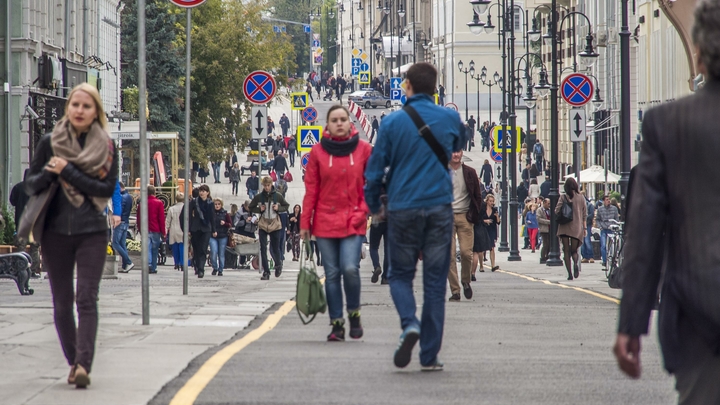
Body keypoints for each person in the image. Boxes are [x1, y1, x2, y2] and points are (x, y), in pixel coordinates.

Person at [615, 6, 720, 395]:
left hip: (698, 314)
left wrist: (631, 323)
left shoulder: (667, 124)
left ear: (698, 51)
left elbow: (644, 230)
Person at [365, 63, 463, 371]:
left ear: (407, 85)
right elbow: (457, 147)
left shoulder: (393, 122)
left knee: (399, 275)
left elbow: (374, 169)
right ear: (435, 87)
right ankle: (429, 356)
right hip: (439, 207)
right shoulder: (450, 118)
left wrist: (373, 205)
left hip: (403, 207)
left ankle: (410, 324)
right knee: (435, 283)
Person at [22, 83, 118, 388]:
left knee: (86, 297)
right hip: (54, 232)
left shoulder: (105, 146)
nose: (79, 110)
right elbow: (31, 185)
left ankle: (83, 365)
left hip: (92, 230)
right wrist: (53, 171)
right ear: (68, 108)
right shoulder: (50, 142)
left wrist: (67, 170)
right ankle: (75, 361)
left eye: (86, 106)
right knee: (62, 302)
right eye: (75, 104)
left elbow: (104, 189)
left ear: (95, 112)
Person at [301, 105, 373, 341]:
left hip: (353, 219)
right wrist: (305, 223)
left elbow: (370, 187)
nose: (339, 123)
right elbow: (311, 190)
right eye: (335, 120)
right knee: (331, 274)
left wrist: (362, 212)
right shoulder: (318, 152)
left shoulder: (364, 150)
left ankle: (354, 314)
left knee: (350, 269)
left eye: (343, 119)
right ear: (328, 125)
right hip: (324, 221)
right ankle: (337, 324)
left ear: (350, 122)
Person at [447, 150, 484, 302]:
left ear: (461, 153)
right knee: (448, 256)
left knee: (466, 253)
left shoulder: (470, 172)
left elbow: (477, 195)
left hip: (465, 216)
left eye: (458, 151)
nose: (455, 155)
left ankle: (465, 281)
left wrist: (474, 214)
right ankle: (455, 291)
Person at [250, 176, 289, 280]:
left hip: (275, 224)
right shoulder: (259, 197)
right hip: (263, 223)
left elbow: (286, 206)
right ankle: (266, 272)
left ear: (271, 184)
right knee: (263, 248)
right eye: (265, 185)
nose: (267, 187)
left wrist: (278, 208)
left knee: (275, 247)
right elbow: (251, 207)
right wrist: (259, 209)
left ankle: (278, 264)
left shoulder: (278, 196)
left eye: (268, 185)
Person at [554, 178, 587, 280]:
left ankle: (570, 274)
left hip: (565, 226)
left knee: (566, 250)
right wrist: (584, 228)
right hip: (576, 227)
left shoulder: (563, 197)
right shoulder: (581, 197)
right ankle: (576, 264)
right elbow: (585, 214)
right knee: (574, 250)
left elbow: (556, 210)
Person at [181, 184, 215, 278]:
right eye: (200, 191)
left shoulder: (210, 203)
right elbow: (187, 214)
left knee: (203, 249)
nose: (201, 193)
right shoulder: (194, 202)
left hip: (206, 228)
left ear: (207, 193)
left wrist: (214, 230)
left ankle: (201, 269)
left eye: (204, 191)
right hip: (195, 228)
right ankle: (196, 265)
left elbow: (212, 217)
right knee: (196, 248)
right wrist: (188, 228)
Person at [135, 185, 166, 274]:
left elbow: (139, 217)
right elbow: (161, 219)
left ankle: (148, 264)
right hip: (156, 229)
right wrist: (163, 232)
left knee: (147, 248)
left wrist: (140, 228)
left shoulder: (142, 203)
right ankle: (153, 266)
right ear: (154, 192)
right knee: (155, 249)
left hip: (145, 229)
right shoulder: (159, 203)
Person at [112, 182, 134, 272]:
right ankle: (125, 265)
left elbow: (119, 209)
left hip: (120, 222)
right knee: (122, 244)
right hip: (126, 221)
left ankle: (128, 262)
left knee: (115, 243)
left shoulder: (121, 198)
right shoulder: (129, 197)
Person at [209, 198, 232, 276]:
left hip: (223, 236)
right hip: (213, 236)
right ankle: (215, 267)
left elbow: (230, 224)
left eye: (219, 204)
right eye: (215, 204)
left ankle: (221, 269)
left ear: (221, 205)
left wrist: (225, 223)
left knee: (221, 253)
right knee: (213, 252)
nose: (217, 206)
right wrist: (212, 231)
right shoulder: (211, 213)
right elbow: (208, 224)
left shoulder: (225, 214)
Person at [596, 194, 620, 268]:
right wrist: (600, 226)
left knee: (613, 245)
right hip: (604, 229)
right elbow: (597, 219)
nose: (608, 201)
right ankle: (604, 260)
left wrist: (616, 225)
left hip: (611, 229)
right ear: (603, 201)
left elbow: (616, 218)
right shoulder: (600, 209)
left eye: (609, 199)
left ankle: (613, 259)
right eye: (606, 200)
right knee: (603, 245)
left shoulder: (614, 209)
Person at [480, 194, 501, 271]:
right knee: (482, 248)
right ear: (487, 201)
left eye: (493, 201)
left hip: (491, 230)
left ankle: (493, 265)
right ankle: (481, 266)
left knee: (492, 247)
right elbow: (479, 220)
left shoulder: (495, 209)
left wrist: (497, 216)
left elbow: (498, 222)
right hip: (483, 229)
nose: (492, 202)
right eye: (490, 201)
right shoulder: (482, 209)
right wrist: (485, 221)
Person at [165, 192, 185, 270]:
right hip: (182, 229)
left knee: (175, 247)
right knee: (182, 246)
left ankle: (176, 263)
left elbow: (168, 221)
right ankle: (182, 263)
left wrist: (166, 230)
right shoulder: (185, 208)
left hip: (174, 229)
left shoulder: (171, 208)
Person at [581, 192, 596, 264]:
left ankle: (591, 256)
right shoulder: (578, 205)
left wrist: (584, 218)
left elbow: (591, 215)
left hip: (587, 225)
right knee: (582, 242)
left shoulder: (589, 205)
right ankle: (584, 256)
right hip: (580, 225)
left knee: (587, 240)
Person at [536, 198, 551, 264]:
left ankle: (548, 256)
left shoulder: (550, 210)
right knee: (545, 244)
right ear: (544, 203)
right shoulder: (540, 210)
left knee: (550, 244)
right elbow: (539, 219)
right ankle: (542, 257)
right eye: (548, 203)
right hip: (544, 229)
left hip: (550, 229)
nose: (549, 205)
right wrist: (548, 222)